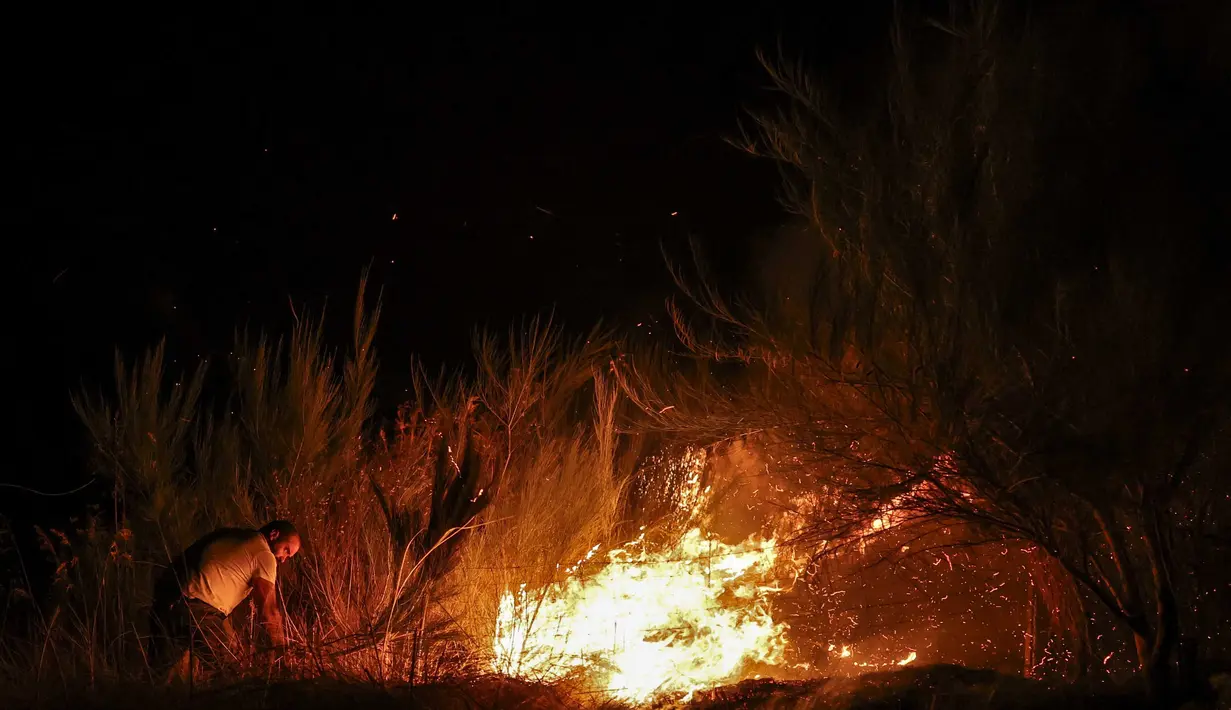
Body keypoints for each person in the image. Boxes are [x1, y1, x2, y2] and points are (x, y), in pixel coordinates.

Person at [149, 520, 301, 682]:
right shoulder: (264, 554)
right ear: (274, 534)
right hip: (201, 612)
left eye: (289, 556)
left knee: (156, 677)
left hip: (167, 604)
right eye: (286, 550)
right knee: (229, 675)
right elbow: (268, 611)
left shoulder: (230, 535)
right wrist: (282, 653)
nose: (284, 559)